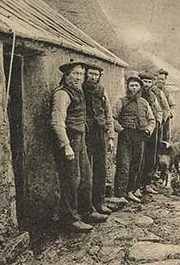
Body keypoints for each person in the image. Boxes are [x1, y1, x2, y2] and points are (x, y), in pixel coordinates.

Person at [51, 60, 108, 232]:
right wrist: (66, 145)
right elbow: (57, 122)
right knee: (71, 180)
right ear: (67, 76)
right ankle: (70, 219)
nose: (79, 77)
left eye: (81, 74)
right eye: (75, 74)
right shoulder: (62, 94)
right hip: (70, 139)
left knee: (86, 177)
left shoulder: (79, 92)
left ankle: (87, 211)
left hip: (81, 138)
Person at [113, 76, 155, 203]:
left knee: (136, 165)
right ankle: (120, 194)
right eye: (132, 85)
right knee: (123, 164)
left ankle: (130, 191)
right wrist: (120, 129)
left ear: (140, 88)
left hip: (140, 136)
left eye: (136, 86)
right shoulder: (121, 101)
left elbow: (151, 119)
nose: (134, 88)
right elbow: (112, 118)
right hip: (125, 136)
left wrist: (148, 130)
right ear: (127, 87)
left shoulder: (144, 103)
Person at [83, 63, 116, 215]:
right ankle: (86, 205)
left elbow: (108, 114)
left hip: (100, 133)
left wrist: (110, 136)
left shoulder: (102, 91)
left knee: (100, 169)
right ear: (85, 74)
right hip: (85, 133)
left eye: (96, 75)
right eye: (90, 74)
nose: (93, 77)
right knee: (86, 171)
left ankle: (100, 202)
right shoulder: (80, 90)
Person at [138, 71, 163, 195]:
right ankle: (136, 186)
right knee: (139, 157)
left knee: (150, 156)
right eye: (144, 81)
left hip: (153, 129)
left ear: (152, 83)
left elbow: (159, 110)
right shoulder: (136, 94)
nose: (146, 84)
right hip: (141, 130)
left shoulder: (153, 95)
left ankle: (147, 183)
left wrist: (157, 121)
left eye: (149, 82)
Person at [156, 69, 175, 141]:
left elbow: (172, 105)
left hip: (165, 119)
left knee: (165, 138)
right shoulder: (151, 91)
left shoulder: (167, 92)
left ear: (165, 80)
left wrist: (170, 114)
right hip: (156, 118)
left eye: (162, 79)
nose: (160, 81)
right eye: (158, 79)